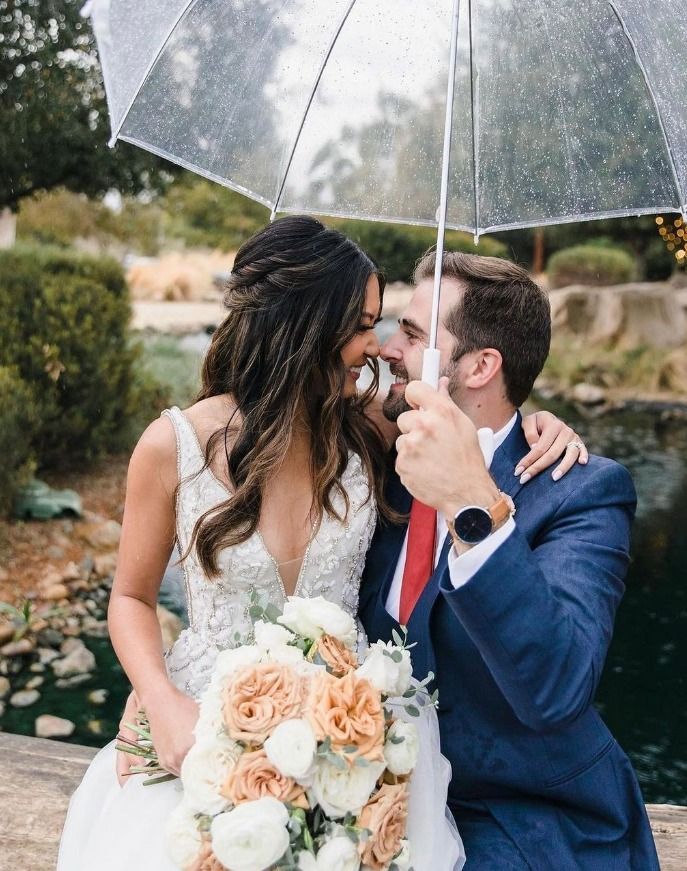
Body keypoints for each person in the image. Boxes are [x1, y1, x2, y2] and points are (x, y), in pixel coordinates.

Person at [57, 217, 579, 871]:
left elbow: (475, 429)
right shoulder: (172, 445)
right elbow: (130, 597)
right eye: (362, 324)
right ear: (306, 326)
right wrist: (161, 700)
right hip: (207, 728)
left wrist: (538, 425)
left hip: (350, 739)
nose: (376, 344)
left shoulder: (364, 428)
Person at [359, 250, 660, 870]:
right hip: (370, 798)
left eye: (414, 335)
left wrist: (473, 503)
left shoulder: (583, 491)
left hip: (521, 816)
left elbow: (557, 688)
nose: (389, 348)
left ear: (478, 367)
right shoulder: (372, 456)